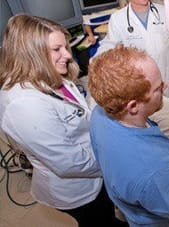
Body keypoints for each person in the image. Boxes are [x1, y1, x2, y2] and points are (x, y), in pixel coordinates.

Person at [0, 15, 126, 227]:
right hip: (79, 189)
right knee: (98, 220)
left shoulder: (45, 74)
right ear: (32, 54)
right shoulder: (23, 106)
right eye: (57, 49)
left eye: (65, 47)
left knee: (107, 215)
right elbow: (69, 163)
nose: (67, 55)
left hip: (93, 168)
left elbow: (78, 112)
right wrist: (116, 161)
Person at [88, 44, 169, 227]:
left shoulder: (99, 114)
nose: (165, 87)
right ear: (133, 106)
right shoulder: (154, 171)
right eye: (157, 88)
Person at [94, 0, 169, 99]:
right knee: (145, 111)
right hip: (139, 82)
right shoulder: (118, 18)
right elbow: (108, 45)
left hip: (166, 77)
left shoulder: (166, 12)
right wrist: (96, 63)